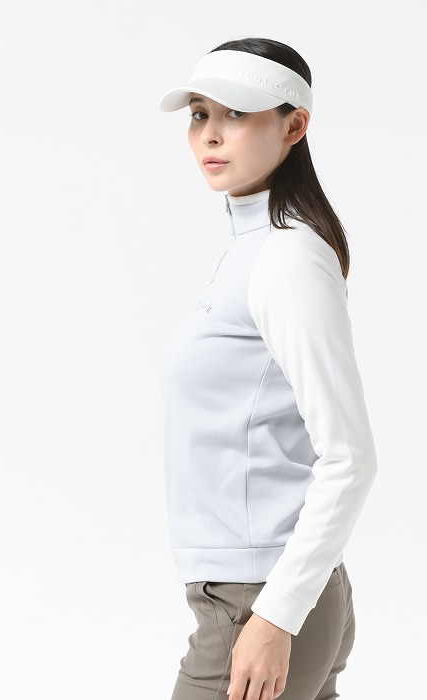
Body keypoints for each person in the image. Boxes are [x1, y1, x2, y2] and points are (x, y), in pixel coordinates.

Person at [158, 37, 378, 700]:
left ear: (294, 125)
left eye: (236, 114)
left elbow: (349, 458)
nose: (210, 134)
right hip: (255, 594)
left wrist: (276, 615)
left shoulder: (287, 259)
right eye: (200, 114)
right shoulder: (253, 250)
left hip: (258, 602)